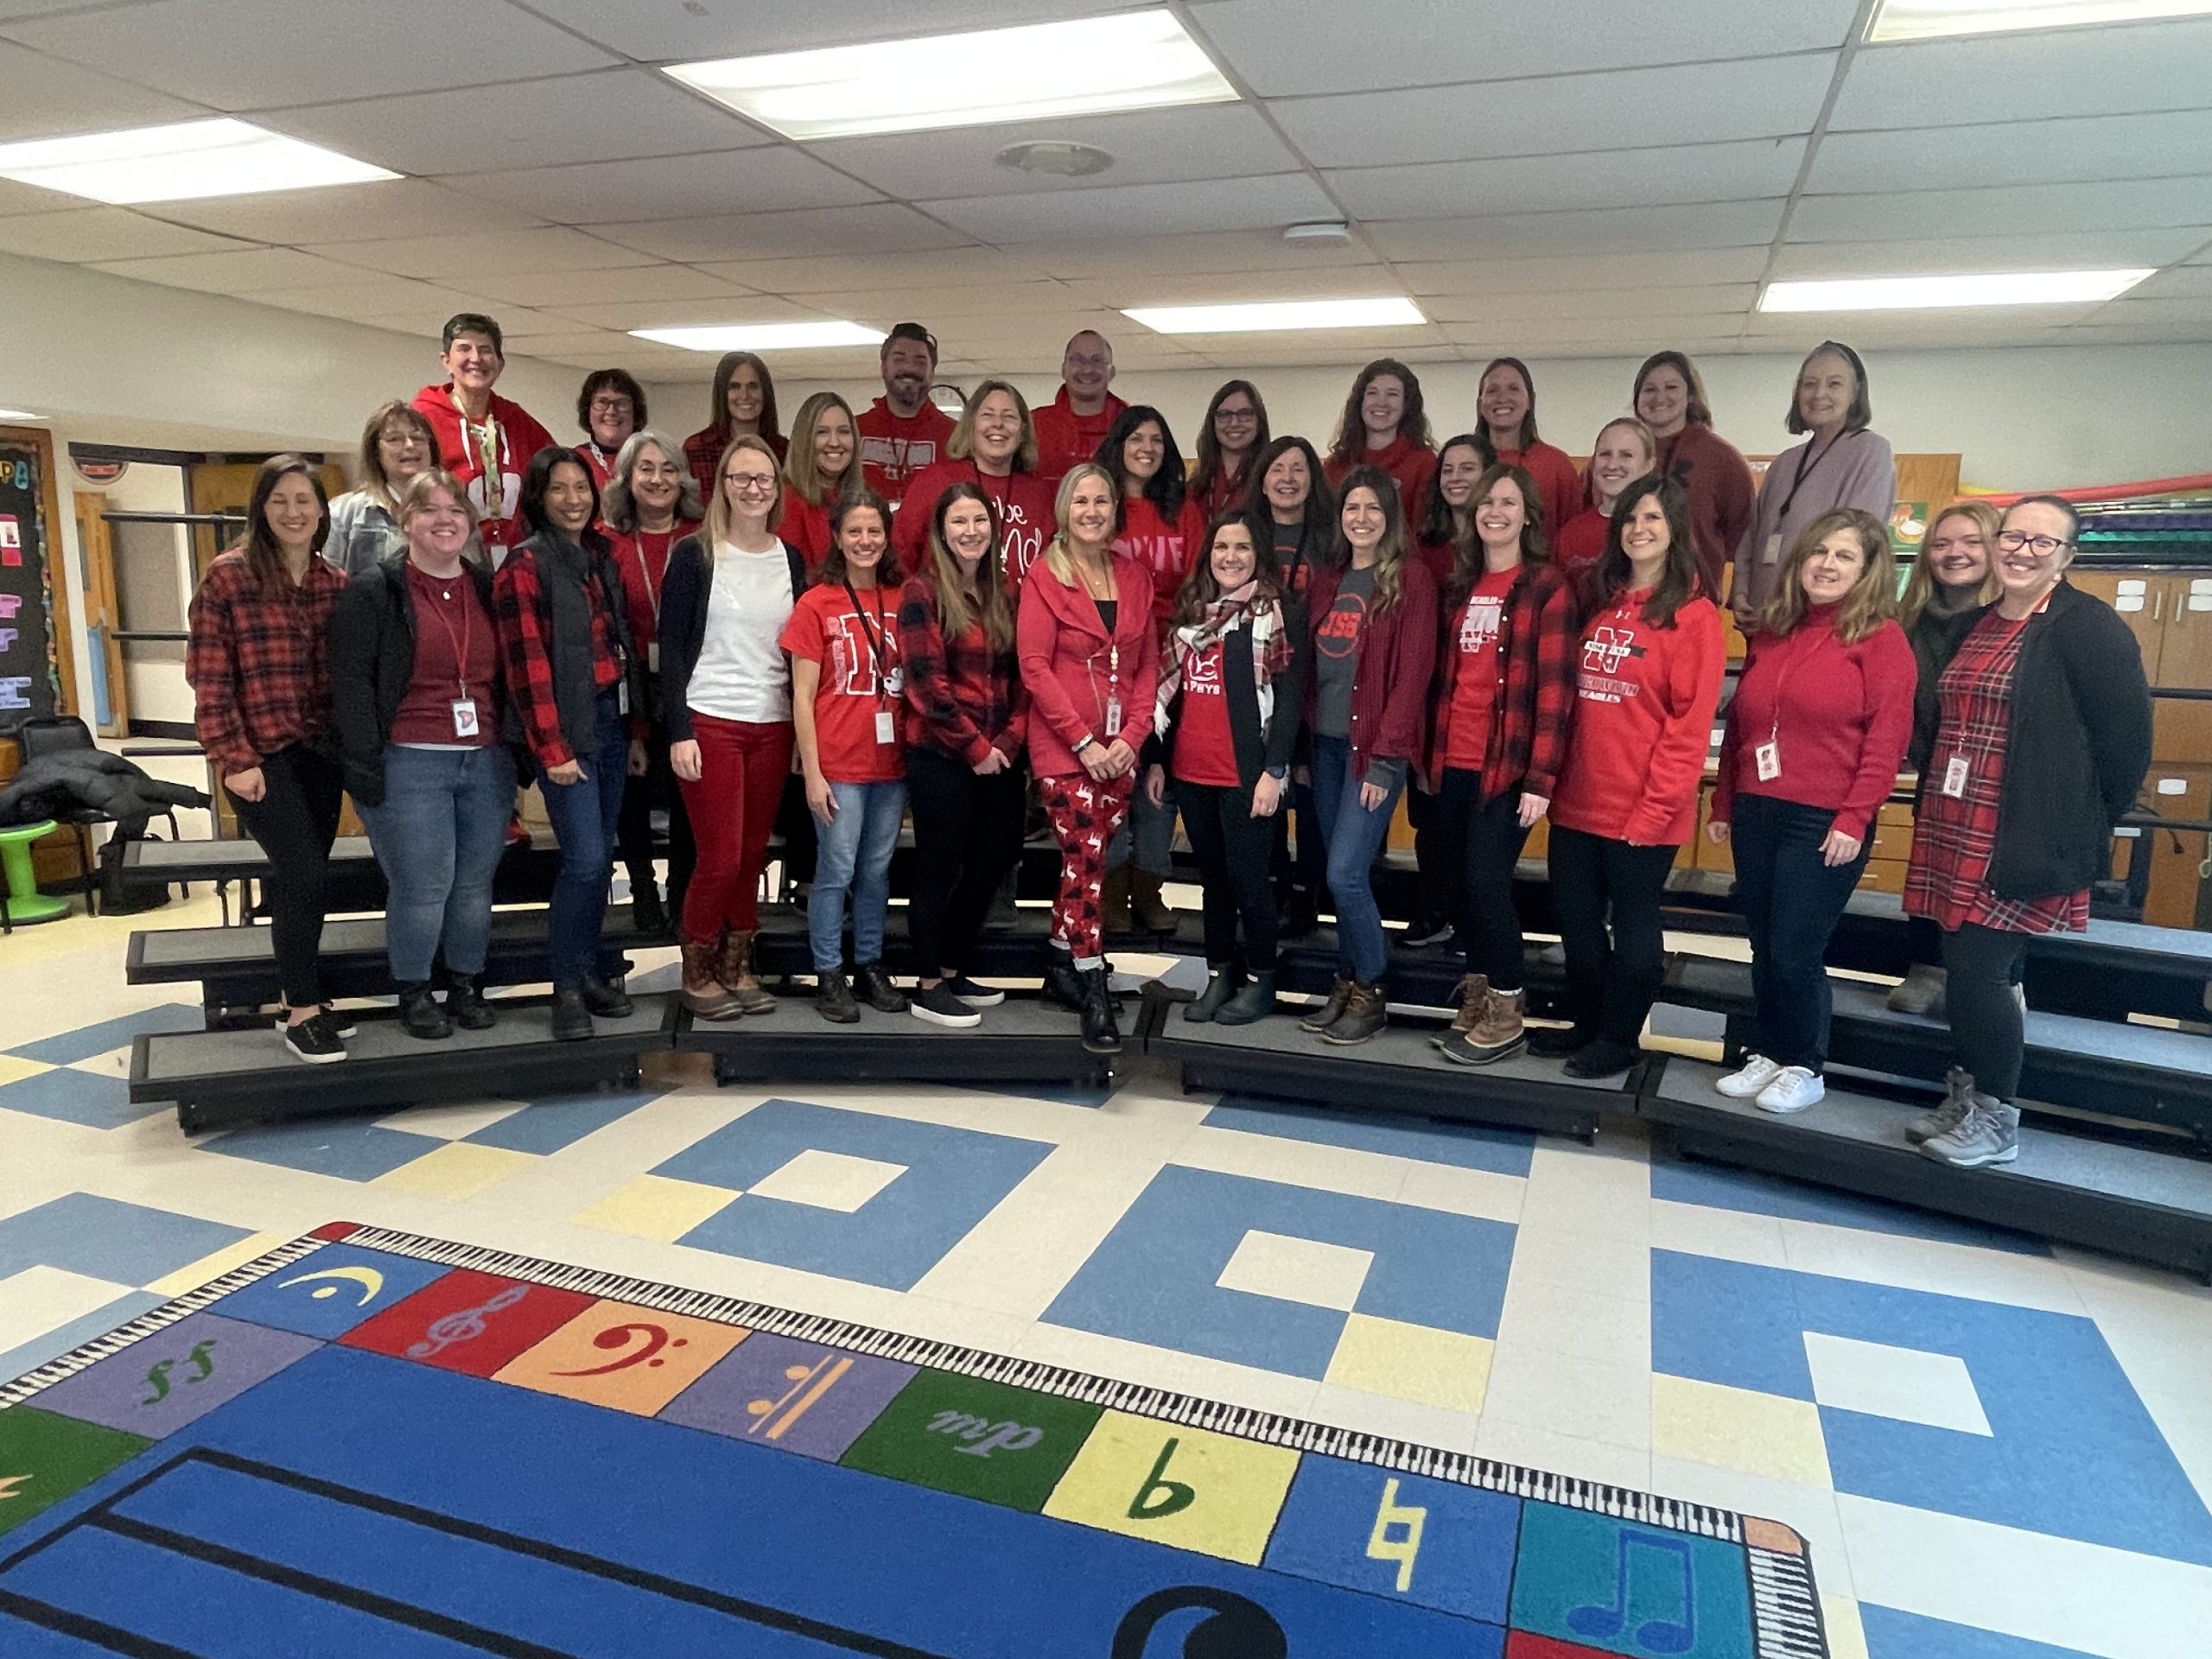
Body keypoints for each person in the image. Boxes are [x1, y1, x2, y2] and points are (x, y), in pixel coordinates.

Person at [1903, 496, 2151, 1169]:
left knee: (1981, 973)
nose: (2024, 551)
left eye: (2045, 543)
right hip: (1959, 819)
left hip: (2022, 831)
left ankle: (1997, 1119)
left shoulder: (2087, 627)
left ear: (2067, 557)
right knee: (1963, 970)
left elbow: (2126, 743)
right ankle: (1967, 1096)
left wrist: (2081, 822)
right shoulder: (1980, 622)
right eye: (2015, 537)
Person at [1708, 510, 1917, 1113]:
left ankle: (1806, 1064)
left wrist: (1855, 817)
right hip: (1758, 809)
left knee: (1795, 949)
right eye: (1818, 552)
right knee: (1762, 943)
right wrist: (1725, 800)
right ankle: (1770, 1053)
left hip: (1822, 821)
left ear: (1869, 570)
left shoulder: (1881, 640)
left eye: (1844, 556)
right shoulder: (1774, 632)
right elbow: (1744, 726)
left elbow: (1887, 741)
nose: (1826, 565)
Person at [1537, 475, 1725, 1078]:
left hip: (1643, 811)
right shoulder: (1605, 600)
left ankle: (1620, 1040)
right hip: (1577, 803)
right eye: (1631, 520)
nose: (1639, 530)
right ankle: (1586, 1025)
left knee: (1636, 931)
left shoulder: (1695, 618)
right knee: (1578, 927)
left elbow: (1687, 728)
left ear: (1676, 531)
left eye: (1653, 519)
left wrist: (1653, 810)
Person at [329, 470, 516, 1039]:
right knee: (424, 884)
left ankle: (464, 983)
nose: (445, 519)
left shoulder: (487, 588)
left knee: (473, 884)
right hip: (409, 759)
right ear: (405, 522)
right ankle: (414, 992)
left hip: (484, 760)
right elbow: (352, 683)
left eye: (456, 509)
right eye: (429, 510)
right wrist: (365, 761)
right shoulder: (376, 590)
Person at [186, 455, 349, 1063]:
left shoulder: (335, 581)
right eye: (279, 500)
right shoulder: (227, 578)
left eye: (304, 500)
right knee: (301, 872)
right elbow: (208, 678)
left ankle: (300, 993)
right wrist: (233, 757)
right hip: (257, 757)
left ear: (321, 509)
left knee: (312, 876)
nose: (293, 512)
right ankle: (303, 1012)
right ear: (260, 508)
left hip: (319, 753)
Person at [493, 448, 647, 1041]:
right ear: (538, 497)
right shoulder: (523, 568)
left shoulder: (598, 557)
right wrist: (551, 749)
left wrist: (634, 731)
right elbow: (525, 669)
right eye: (558, 489)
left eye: (581, 487)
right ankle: (564, 987)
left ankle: (585, 973)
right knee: (583, 860)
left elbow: (621, 647)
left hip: (609, 722)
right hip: (566, 734)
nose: (572, 499)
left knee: (599, 859)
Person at [1426, 464, 1576, 1068]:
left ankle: (1510, 1005)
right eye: (1487, 502)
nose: (1495, 511)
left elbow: (1554, 693)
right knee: (1460, 886)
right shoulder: (1462, 586)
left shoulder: (1546, 588)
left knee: (1488, 883)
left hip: (1507, 768)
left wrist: (1541, 777)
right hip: (1453, 761)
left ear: (1528, 515)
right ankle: (1481, 992)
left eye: (1508, 502)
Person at [658, 434, 808, 1020]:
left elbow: (796, 652)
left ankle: (737, 964)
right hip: (710, 719)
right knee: (718, 856)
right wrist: (678, 730)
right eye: (741, 478)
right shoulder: (696, 555)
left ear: (777, 489)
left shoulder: (790, 558)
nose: (753, 489)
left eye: (764, 480)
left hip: (771, 722)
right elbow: (670, 650)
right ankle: (696, 968)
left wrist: (800, 734)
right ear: (721, 486)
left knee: (750, 856)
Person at [1018, 462, 1160, 1054]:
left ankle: (1059, 967)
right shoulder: (1043, 576)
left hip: (1119, 750)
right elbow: (1034, 666)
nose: (1093, 510)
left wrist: (1131, 736)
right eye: (1081, 500)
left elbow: (1148, 665)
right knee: (1087, 864)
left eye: (1102, 500)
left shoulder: (1135, 576)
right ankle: (1092, 983)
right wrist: (1085, 741)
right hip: (1064, 750)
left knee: (1089, 860)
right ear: (1064, 510)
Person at [1147, 509, 1307, 1026]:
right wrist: (1155, 760)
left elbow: (1288, 701)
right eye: (1221, 547)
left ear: (1258, 554)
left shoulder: (1276, 614)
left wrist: (1273, 771)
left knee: (1249, 883)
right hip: (1192, 773)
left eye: (1241, 548)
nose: (1230, 557)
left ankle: (1262, 980)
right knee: (1212, 882)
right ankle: (1220, 975)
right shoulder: (1193, 613)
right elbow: (1169, 698)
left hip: (1247, 775)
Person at [1298, 466, 1438, 1047]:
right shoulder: (1328, 580)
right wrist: (1301, 748)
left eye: (1372, 509)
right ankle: (1347, 979)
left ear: (1390, 517)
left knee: (1346, 873)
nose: (1361, 518)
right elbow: (1307, 671)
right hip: (1325, 749)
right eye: (1351, 508)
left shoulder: (1411, 579)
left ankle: (1373, 988)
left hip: (1370, 754)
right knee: (1338, 874)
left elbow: (1413, 676)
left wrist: (1387, 761)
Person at [898, 482, 1029, 1030]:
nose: (970, 531)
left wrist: (1006, 743)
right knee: (938, 866)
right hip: (942, 755)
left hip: (997, 757)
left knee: (995, 858)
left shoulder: (1006, 594)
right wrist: (974, 746)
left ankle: (953, 968)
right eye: (959, 522)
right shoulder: (921, 591)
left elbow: (1022, 679)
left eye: (979, 520)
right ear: (941, 531)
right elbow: (925, 686)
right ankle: (927, 985)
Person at [780, 491, 911, 1023]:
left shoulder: (905, 598)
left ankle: (869, 963)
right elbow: (802, 697)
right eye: (854, 532)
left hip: (892, 764)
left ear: (887, 536)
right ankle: (829, 971)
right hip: (838, 764)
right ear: (837, 537)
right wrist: (812, 774)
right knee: (836, 869)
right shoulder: (817, 603)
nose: (865, 542)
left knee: (877, 871)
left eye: (874, 531)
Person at [1888, 500, 2002, 1015]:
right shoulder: (1907, 621)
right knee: (1929, 870)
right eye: (1941, 543)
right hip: (1937, 774)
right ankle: (1928, 967)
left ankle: (1991, 983)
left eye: (1971, 542)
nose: (1955, 553)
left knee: (1990, 885)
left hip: (1997, 782)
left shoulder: (2012, 621)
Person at [1096, 404, 1202, 932]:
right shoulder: (1100, 508)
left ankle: (1150, 884)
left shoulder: (1182, 509)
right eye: (1136, 437)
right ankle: (1112, 887)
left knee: (1162, 783)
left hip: (1173, 665)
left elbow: (1203, 585)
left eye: (1157, 439)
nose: (1147, 447)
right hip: (1110, 664)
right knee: (1115, 777)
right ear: (1118, 444)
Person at [601, 429, 705, 935]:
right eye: (646, 468)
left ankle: (681, 890)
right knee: (632, 790)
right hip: (628, 681)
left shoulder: (703, 538)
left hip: (692, 681)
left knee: (691, 790)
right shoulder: (606, 542)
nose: (659, 479)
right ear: (626, 478)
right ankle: (641, 885)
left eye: (668, 468)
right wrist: (638, 725)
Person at [1732, 341, 1896, 627]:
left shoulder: (1871, 452)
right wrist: (1742, 590)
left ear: (1855, 394)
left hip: (1820, 622)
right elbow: (1753, 535)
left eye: (1834, 384)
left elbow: (1855, 544)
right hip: (1763, 621)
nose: (1819, 393)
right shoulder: (1784, 463)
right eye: (1810, 384)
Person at [1403, 433, 1491, 947]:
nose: (1457, 478)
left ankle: (1470, 922)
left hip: (1479, 705)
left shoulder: (1500, 549)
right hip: (1428, 698)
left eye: (1469, 468)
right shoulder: (1425, 547)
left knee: (1474, 827)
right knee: (1430, 819)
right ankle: (1435, 910)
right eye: (1449, 469)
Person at [1246, 435, 1335, 931]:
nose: (1287, 478)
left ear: (1312, 479)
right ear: (1262, 479)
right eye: (1277, 468)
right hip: (1261, 686)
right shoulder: (1246, 533)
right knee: (1267, 796)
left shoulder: (1329, 537)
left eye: (1298, 468)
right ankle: (1274, 891)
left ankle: (1308, 895)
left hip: (1318, 686)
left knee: (1312, 797)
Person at [410, 313, 556, 565]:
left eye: (486, 350)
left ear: (500, 364)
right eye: (464, 349)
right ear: (446, 361)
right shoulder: (422, 420)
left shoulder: (518, 422)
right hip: (447, 564)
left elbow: (557, 475)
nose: (476, 359)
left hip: (517, 565)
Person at [893, 379, 1057, 579]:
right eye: (987, 415)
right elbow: (901, 550)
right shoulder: (936, 480)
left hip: (1025, 609)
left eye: (1009, 416)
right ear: (971, 425)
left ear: (1023, 431)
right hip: (947, 608)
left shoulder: (1039, 494)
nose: (998, 424)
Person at [1632, 350, 1756, 603]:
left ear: (1690, 396)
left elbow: (1744, 535)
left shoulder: (1722, 458)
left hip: (1694, 600)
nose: (1660, 397)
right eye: (1649, 389)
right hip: (1628, 597)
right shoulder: (1622, 454)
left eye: (1671, 387)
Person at [326, 402, 437, 576]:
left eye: (418, 438)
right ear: (376, 452)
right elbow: (325, 581)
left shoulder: (456, 511)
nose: (409, 445)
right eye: (395, 439)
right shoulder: (343, 512)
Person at [1476, 357, 1581, 536]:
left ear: (1530, 400)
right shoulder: (1465, 464)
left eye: (1513, 389)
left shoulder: (1557, 466)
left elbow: (1573, 533)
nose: (1502, 398)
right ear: (1480, 404)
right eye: (1492, 390)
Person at [1554, 417, 1658, 594]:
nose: (1612, 465)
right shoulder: (1571, 534)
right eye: (1605, 454)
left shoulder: (1661, 531)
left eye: (1626, 455)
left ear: (1649, 465)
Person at [1322, 359, 1437, 512]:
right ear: (1360, 401)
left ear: (1406, 405)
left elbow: (1425, 530)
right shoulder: (1336, 465)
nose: (1381, 402)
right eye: (1372, 393)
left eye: (1392, 394)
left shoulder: (1424, 463)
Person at [857, 322, 954, 502]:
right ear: (883, 368)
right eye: (899, 359)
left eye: (920, 361)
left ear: (932, 372)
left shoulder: (956, 436)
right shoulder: (854, 431)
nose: (909, 368)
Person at [683, 351, 784, 505]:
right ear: (723, 393)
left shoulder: (784, 451)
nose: (744, 395)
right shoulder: (696, 448)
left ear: (765, 392)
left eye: (753, 386)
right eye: (734, 387)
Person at [778, 391, 860, 575]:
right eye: (822, 432)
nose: (834, 442)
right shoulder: (785, 500)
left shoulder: (863, 498)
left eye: (844, 432)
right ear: (805, 439)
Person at [1032, 329, 1128, 486]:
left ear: (1112, 372)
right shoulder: (1033, 425)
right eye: (1077, 360)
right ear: (1064, 369)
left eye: (1097, 360)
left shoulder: (1131, 428)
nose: (1087, 369)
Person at [1188, 381, 1268, 519]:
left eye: (1245, 414)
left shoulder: (1270, 481)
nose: (1234, 423)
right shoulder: (1195, 488)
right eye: (1224, 415)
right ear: (1212, 423)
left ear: (1259, 420)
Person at [574, 369, 645, 496]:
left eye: (622, 403)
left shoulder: (652, 461)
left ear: (635, 412)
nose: (611, 411)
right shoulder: (572, 461)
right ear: (588, 410)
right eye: (602, 402)